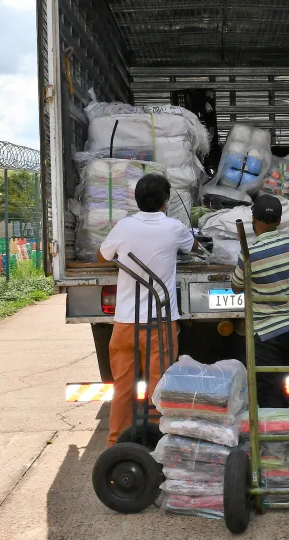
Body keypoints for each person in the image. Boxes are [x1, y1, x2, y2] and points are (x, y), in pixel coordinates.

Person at [98, 173, 196, 447]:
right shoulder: (174, 227)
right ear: (166, 201)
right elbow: (193, 247)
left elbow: (102, 255)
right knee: (159, 387)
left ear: (136, 199)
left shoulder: (123, 226)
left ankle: (116, 445)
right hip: (160, 322)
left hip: (126, 322)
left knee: (123, 388)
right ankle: (159, 443)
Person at [232, 195, 289, 408]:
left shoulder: (249, 255)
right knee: (288, 385)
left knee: (268, 392)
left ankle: (275, 438)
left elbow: (236, 286)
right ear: (279, 221)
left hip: (265, 334)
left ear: (253, 220)